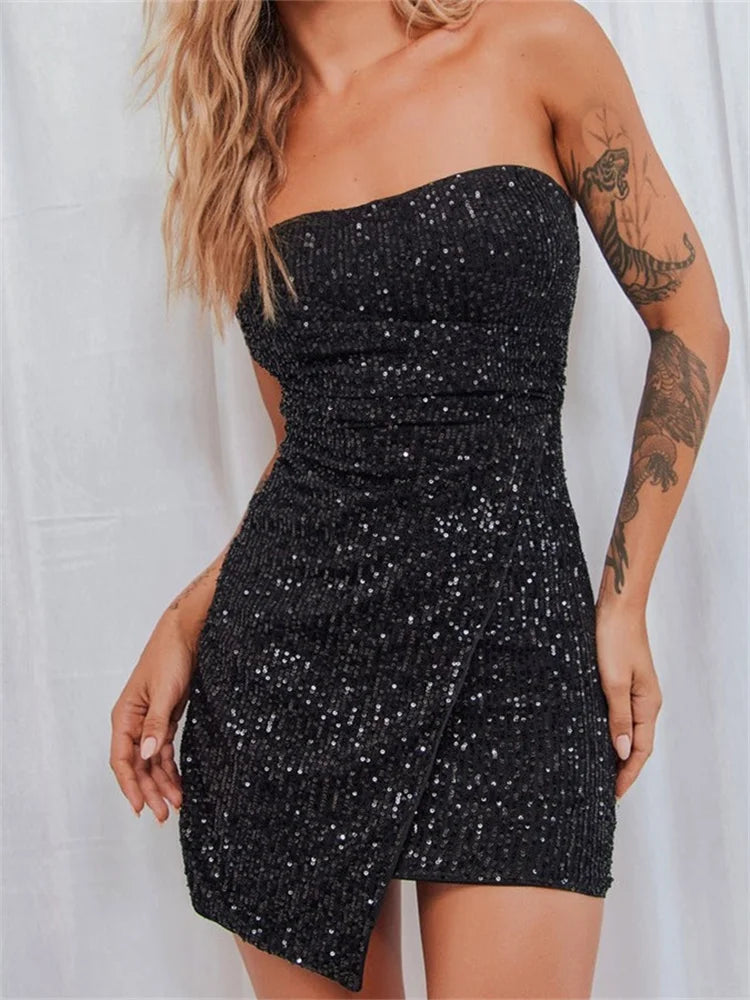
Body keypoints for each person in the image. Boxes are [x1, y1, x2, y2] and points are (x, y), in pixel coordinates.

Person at [110, 1, 730, 997]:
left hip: (518, 646)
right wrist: (188, 619)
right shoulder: (243, 155)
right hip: (286, 679)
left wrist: (623, 603)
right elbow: (316, 452)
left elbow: (690, 323)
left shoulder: (533, 41)